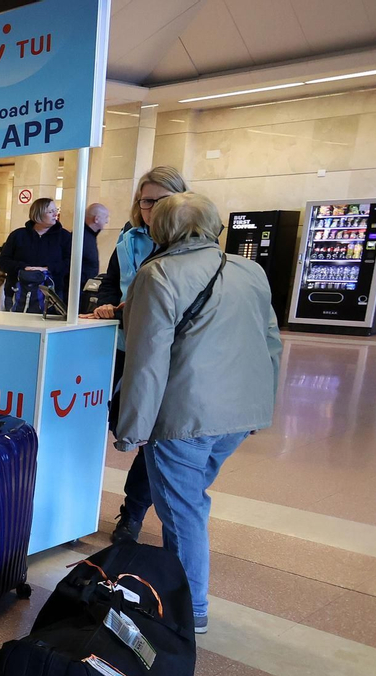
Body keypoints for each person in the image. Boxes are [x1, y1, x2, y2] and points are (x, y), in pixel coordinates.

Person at [115, 192, 280, 635]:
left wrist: (132, 429)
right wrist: (263, 406)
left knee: (183, 510)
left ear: (160, 228)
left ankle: (191, 612)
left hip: (185, 415)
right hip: (238, 413)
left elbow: (147, 360)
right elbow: (270, 342)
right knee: (190, 499)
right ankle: (183, 599)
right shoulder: (251, 270)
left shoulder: (158, 274)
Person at [91, 165, 190, 543]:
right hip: (122, 346)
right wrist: (106, 305)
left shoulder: (190, 246)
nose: (153, 209)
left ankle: (132, 514)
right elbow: (110, 286)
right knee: (112, 421)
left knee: (153, 437)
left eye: (163, 200)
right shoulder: (127, 241)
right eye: (147, 201)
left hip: (165, 354)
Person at [0, 196, 72, 313]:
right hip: (17, 293)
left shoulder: (64, 236)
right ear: (38, 214)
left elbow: (70, 263)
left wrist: (47, 268)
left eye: (56, 210)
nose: (55, 214)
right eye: (50, 212)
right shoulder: (18, 235)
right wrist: (24, 268)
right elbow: (4, 261)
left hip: (51, 297)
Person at [82, 202, 110, 287]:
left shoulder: (89, 236)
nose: (107, 221)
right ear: (96, 219)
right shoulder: (83, 238)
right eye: (105, 217)